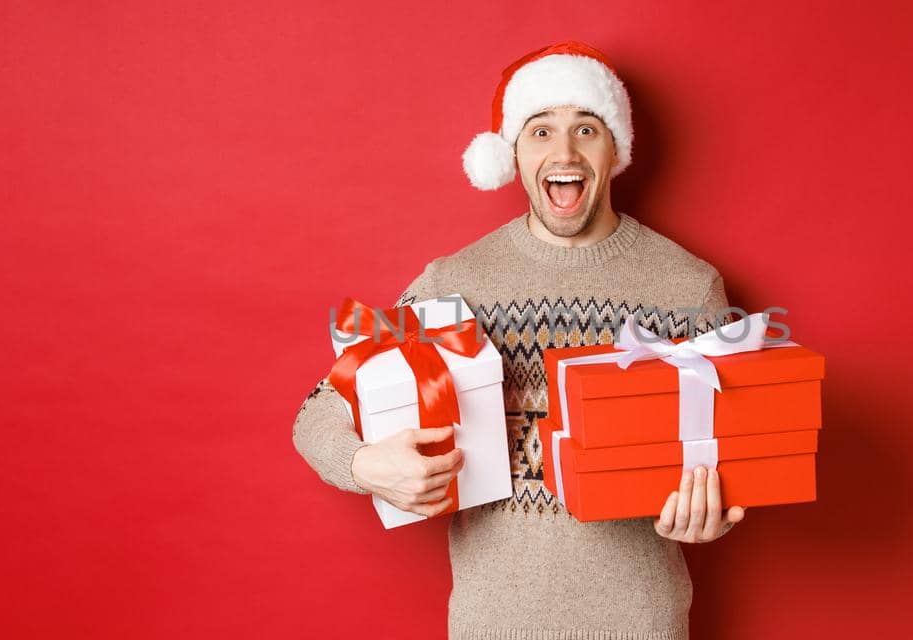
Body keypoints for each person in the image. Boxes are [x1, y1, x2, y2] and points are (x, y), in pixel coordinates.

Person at [293, 40, 744, 639]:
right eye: (540, 131)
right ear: (510, 154)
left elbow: (738, 455)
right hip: (493, 624)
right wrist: (365, 464)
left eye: (586, 129)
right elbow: (318, 410)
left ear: (616, 150)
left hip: (641, 622)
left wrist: (714, 512)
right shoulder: (453, 284)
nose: (564, 150)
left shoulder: (687, 285)